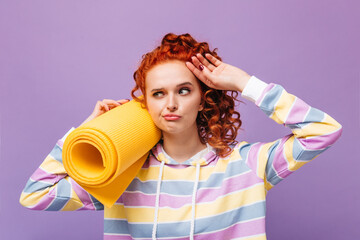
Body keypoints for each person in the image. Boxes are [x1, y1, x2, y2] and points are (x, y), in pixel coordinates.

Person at [19, 33, 343, 240]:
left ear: (203, 98)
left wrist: (246, 83)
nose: (171, 103)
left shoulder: (247, 166)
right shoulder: (124, 173)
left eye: (184, 90)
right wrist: (85, 132)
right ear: (146, 102)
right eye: (158, 93)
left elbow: (323, 131)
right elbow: (35, 195)